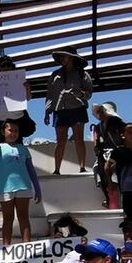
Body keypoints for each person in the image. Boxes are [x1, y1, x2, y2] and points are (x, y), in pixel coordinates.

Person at [0, 121, 42, 245]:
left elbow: (31, 170)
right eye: (10, 130)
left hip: (23, 187)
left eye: (16, 131)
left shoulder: (23, 149)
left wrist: (37, 189)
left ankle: (26, 245)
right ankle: (6, 247)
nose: (13, 133)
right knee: (8, 219)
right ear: (3, 132)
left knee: (23, 217)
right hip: (5, 188)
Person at [44, 46, 93, 175]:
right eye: (60, 57)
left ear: (71, 57)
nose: (61, 59)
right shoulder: (55, 75)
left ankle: (82, 167)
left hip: (77, 108)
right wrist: (47, 111)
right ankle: (56, 169)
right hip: (59, 109)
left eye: (64, 56)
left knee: (79, 138)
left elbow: (89, 92)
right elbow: (50, 94)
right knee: (60, 140)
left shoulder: (82, 74)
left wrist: (81, 94)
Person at [0, 54, 34, 142]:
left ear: (12, 67)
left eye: (9, 65)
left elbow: (28, 98)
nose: (6, 68)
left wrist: (27, 88)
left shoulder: (19, 80)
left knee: (17, 143)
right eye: (3, 65)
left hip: (16, 117)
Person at [91, 102, 125, 207]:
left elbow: (122, 140)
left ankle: (120, 199)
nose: (100, 114)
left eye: (102, 111)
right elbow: (96, 144)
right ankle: (108, 197)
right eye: (99, 111)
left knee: (115, 171)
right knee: (97, 168)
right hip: (104, 154)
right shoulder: (98, 127)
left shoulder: (119, 124)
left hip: (118, 153)